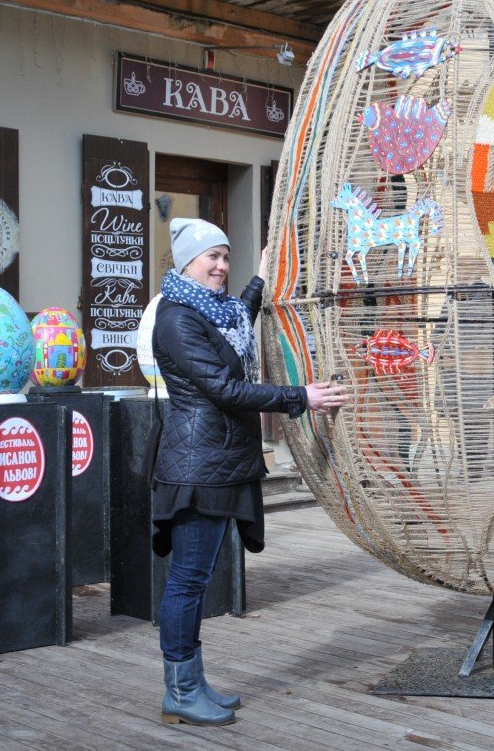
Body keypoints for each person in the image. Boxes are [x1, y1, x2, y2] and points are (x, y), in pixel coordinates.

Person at [151, 217, 348, 727]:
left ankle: (192, 683)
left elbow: (241, 314)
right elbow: (224, 388)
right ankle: (180, 691)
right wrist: (299, 396)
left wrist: (260, 276)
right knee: (187, 582)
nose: (221, 266)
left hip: (219, 462)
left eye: (225, 256)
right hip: (197, 468)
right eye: (211, 257)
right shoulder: (177, 319)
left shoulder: (213, 311)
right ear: (186, 263)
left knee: (196, 579)